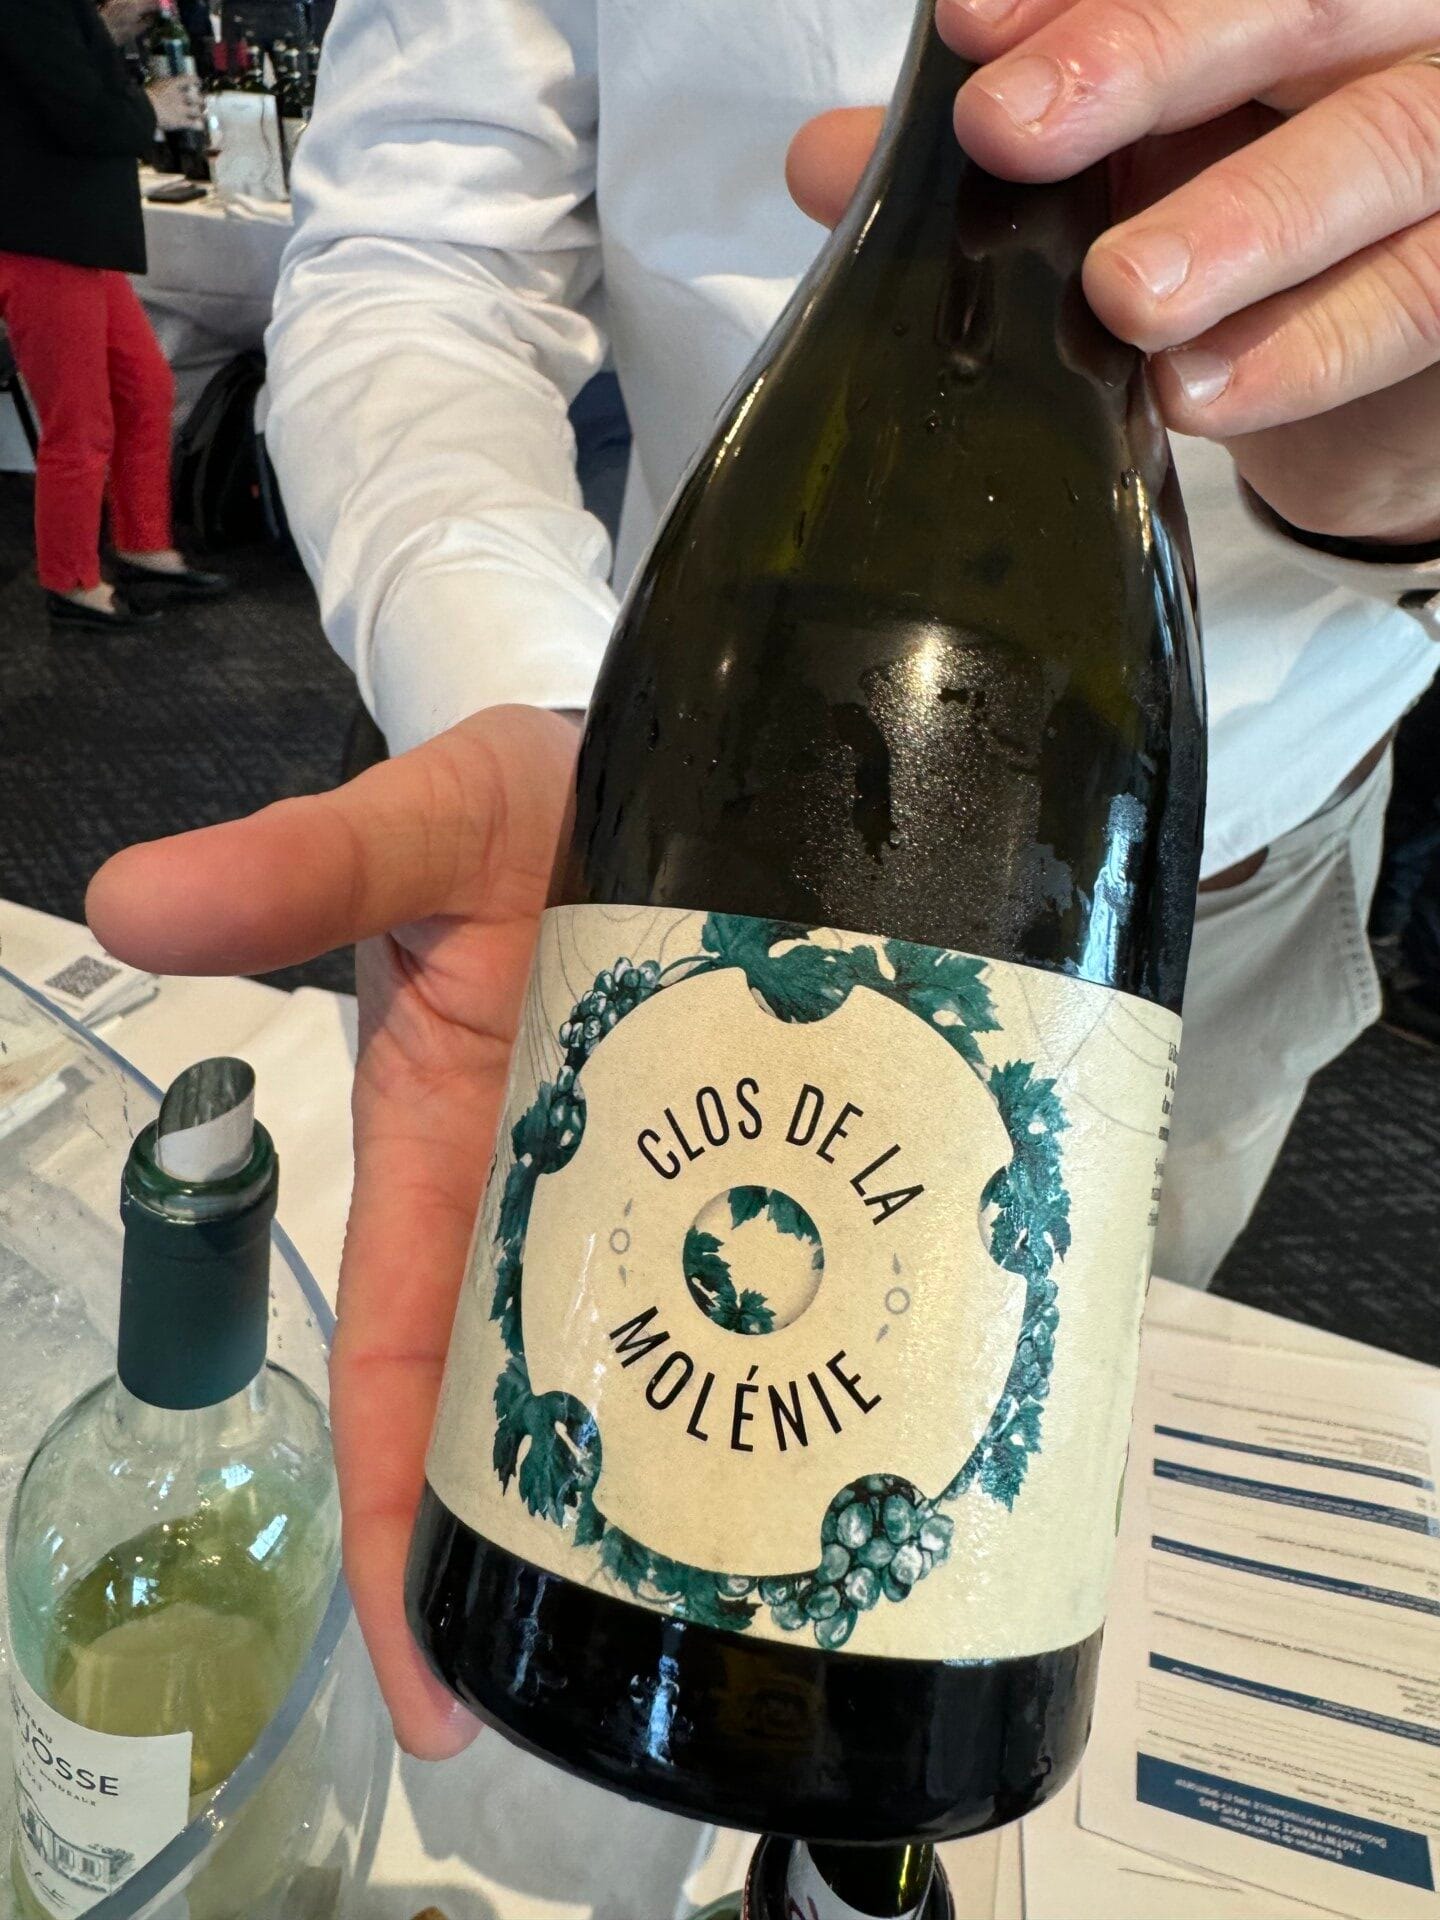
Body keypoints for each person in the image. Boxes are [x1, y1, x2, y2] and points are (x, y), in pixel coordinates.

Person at [89, 0, 1440, 1762]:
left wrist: (1408, 491)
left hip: (1226, 884)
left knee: (977, 1520)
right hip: (675, 812)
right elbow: (422, 243)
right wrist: (563, 742)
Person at [0, 0, 229, 630]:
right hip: (44, 235)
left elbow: (50, 73)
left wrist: (107, 30)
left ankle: (143, 544)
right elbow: (83, 116)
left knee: (144, 389)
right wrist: (152, 107)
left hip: (79, 232)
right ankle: (71, 581)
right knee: (79, 421)